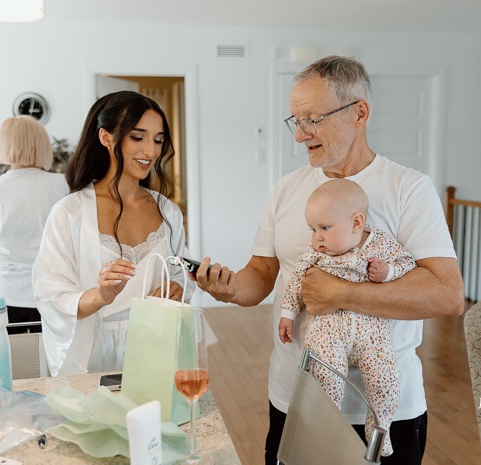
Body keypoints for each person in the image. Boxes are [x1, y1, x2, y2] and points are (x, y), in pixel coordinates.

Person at [195, 56, 465, 465]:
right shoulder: (286, 190)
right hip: (295, 394)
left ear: (360, 112)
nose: (301, 134)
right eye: (296, 120)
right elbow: (262, 275)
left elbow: (447, 294)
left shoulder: (410, 189)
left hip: (388, 409)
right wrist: (228, 288)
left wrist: (340, 292)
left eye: (313, 119)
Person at [32, 91, 194, 377]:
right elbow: (50, 295)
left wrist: (179, 288)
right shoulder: (69, 213)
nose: (151, 151)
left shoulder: (168, 212)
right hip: (93, 356)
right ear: (106, 137)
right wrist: (100, 295)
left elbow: (181, 270)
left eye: (158, 140)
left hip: (156, 347)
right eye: (138, 137)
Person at [279, 178, 416, 457]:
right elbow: (296, 284)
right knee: (326, 382)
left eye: (325, 228)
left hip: (371, 331)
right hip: (328, 330)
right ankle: (329, 431)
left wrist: (388, 272)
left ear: (356, 223)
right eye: (313, 230)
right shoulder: (314, 255)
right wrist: (288, 314)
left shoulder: (380, 245)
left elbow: (408, 264)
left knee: (386, 382)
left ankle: (379, 428)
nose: (317, 238)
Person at [0, 115, 69, 334]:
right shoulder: (61, 184)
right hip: (48, 288)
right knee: (48, 360)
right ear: (41, 144)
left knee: (9, 359)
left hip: (4, 289)